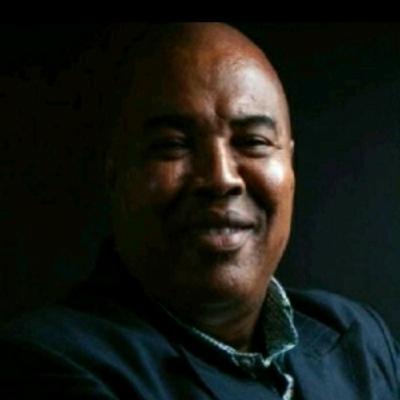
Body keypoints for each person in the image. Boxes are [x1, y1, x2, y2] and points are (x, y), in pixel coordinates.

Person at [0, 22, 398, 399]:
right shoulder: (46, 362)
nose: (221, 178)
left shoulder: (359, 339)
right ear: (116, 174)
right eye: (173, 145)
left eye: (253, 141)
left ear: (290, 165)